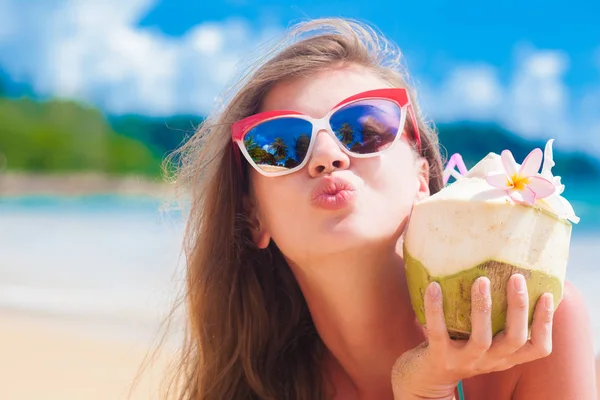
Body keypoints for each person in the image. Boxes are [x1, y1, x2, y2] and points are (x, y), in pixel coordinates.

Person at [165, 18, 596, 399]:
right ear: (252, 216)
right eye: (281, 146)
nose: (327, 155)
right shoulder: (259, 383)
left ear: (421, 181)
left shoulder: (534, 326)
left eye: (364, 129)